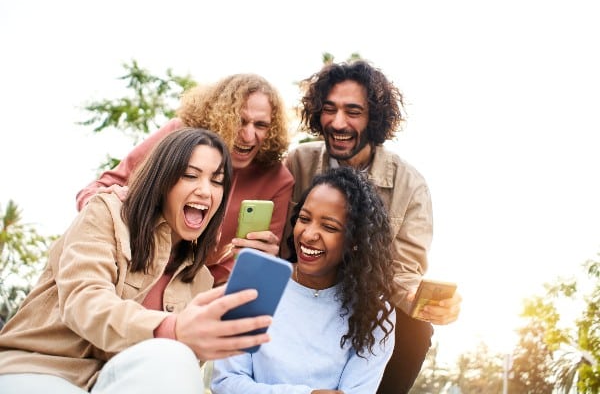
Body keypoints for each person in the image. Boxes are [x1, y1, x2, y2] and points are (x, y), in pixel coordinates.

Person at [0, 128, 273, 394]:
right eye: (190, 175)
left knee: (175, 358)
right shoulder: (106, 213)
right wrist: (170, 328)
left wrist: (252, 278)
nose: (205, 190)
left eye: (216, 181)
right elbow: (83, 301)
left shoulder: (201, 279)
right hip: (42, 368)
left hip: (116, 382)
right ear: (162, 180)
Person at [283, 60, 462, 394]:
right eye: (329, 109)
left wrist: (420, 300)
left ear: (374, 119)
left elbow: (403, 271)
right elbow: (280, 245)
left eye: (353, 111)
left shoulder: (410, 186)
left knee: (415, 328)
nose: (338, 122)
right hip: (302, 292)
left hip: (360, 300)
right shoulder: (298, 163)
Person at [76, 73, 294, 286]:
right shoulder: (179, 136)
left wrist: (261, 261)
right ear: (221, 116)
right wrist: (109, 217)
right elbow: (96, 190)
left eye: (261, 125)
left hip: (195, 287)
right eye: (240, 121)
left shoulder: (278, 179)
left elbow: (251, 265)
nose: (248, 136)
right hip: (130, 267)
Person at [212, 167, 396, 394]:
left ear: (354, 241)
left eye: (329, 227)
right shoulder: (256, 284)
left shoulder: (374, 311)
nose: (308, 235)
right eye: (304, 219)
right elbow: (225, 382)